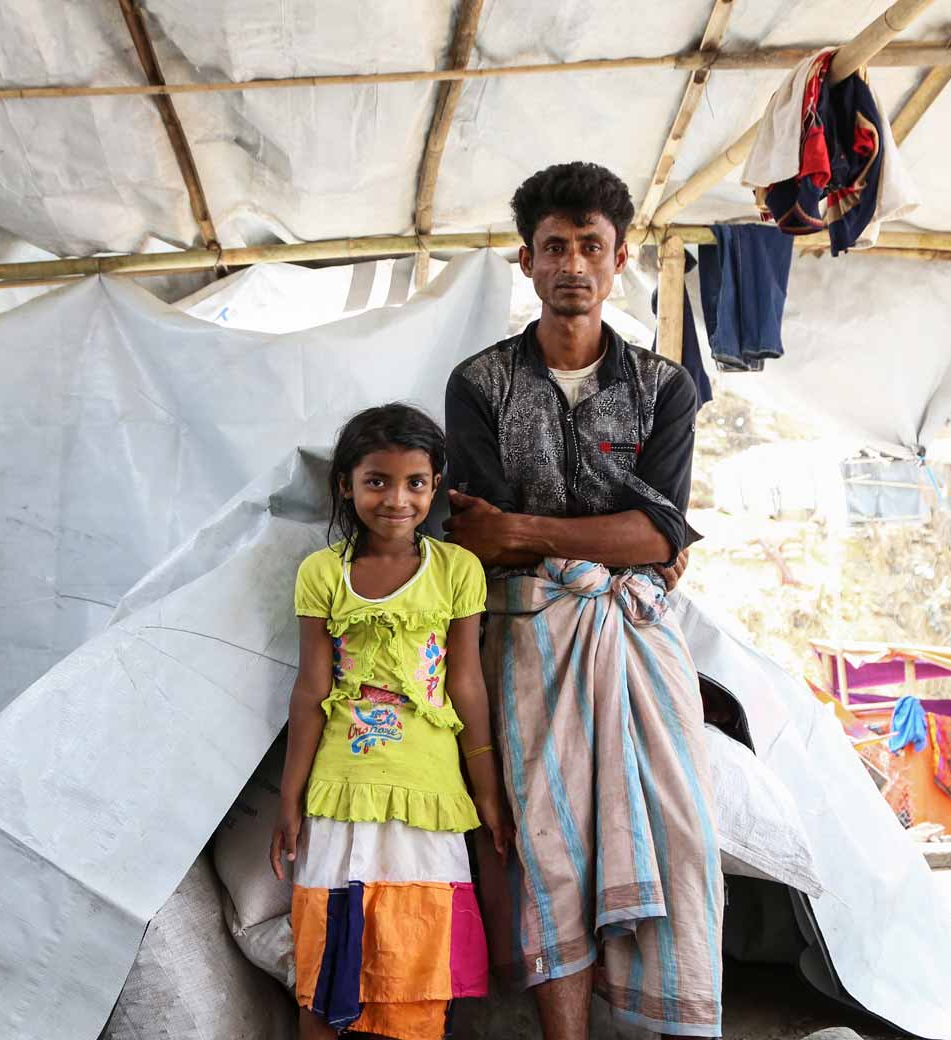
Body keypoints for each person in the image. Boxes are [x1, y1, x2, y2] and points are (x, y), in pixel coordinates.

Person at [442, 162, 722, 1039]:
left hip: (636, 635)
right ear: (525, 260)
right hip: (526, 633)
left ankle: (668, 1019)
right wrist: (620, 538)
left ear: (621, 258)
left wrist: (534, 534)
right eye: (554, 246)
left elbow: (660, 538)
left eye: (590, 246)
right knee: (546, 844)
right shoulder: (479, 384)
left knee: (682, 830)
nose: (572, 263)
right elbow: (481, 541)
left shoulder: (663, 387)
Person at [271, 404, 513, 1040]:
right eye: (376, 480)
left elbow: (465, 683)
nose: (396, 499)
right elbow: (310, 690)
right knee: (326, 961)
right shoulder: (322, 574)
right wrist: (289, 799)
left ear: (435, 487)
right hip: (340, 792)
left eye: (415, 483)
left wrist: (487, 792)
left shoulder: (457, 570)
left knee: (414, 963)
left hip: (428, 796)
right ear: (346, 485)